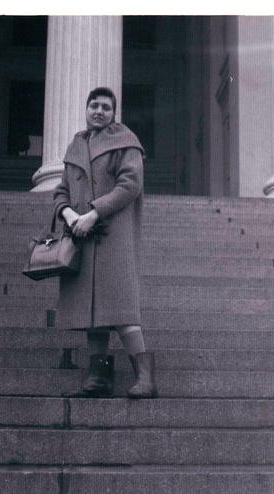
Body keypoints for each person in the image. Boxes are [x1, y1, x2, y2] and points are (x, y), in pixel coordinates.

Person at [53, 86, 157, 399]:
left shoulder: (125, 141)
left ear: (114, 113)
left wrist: (94, 214)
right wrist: (70, 215)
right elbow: (61, 191)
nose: (99, 111)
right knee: (91, 313)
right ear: (86, 109)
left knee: (121, 310)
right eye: (94, 106)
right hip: (81, 236)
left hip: (113, 237)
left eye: (106, 107)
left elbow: (130, 185)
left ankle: (146, 379)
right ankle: (98, 378)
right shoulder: (76, 145)